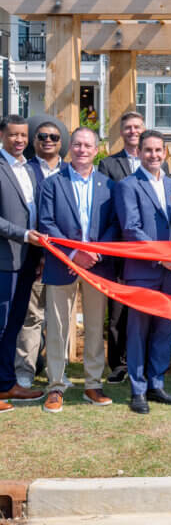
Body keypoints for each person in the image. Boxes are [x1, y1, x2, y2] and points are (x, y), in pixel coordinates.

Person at [38, 126, 120, 413]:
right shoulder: (52, 183)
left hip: (97, 266)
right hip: (63, 265)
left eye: (87, 145)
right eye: (77, 145)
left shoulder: (107, 185)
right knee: (59, 327)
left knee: (96, 327)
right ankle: (56, 386)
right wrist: (73, 253)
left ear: (96, 150)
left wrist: (95, 251)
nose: (82, 149)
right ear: (69, 148)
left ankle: (93, 384)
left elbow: (114, 225)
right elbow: (46, 222)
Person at [115, 130, 171, 414]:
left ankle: (157, 384)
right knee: (138, 331)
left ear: (165, 152)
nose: (153, 155)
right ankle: (138, 389)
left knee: (164, 330)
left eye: (158, 150)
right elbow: (131, 229)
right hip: (144, 270)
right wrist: (162, 257)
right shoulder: (127, 185)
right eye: (148, 150)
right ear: (139, 153)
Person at [98, 111, 169, 385]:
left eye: (137, 127)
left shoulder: (162, 169)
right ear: (122, 131)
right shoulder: (108, 165)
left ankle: (147, 367)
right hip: (121, 249)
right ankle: (118, 364)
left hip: (152, 257)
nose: (132, 131)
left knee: (147, 314)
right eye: (127, 127)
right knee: (117, 312)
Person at [15, 120, 65, 389]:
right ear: (34, 141)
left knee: (59, 319)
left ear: (61, 142)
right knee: (31, 317)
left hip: (64, 260)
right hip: (32, 258)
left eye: (54, 136)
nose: (48, 140)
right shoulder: (26, 171)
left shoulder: (70, 172)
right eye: (42, 136)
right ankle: (25, 369)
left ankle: (58, 371)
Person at [0, 115, 44, 413]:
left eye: (23, 135)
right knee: (1, 326)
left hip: (27, 260)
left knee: (14, 326)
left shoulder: (29, 168)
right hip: (4, 261)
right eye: (14, 135)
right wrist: (24, 234)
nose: (19, 140)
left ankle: (5, 385)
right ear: (2, 136)